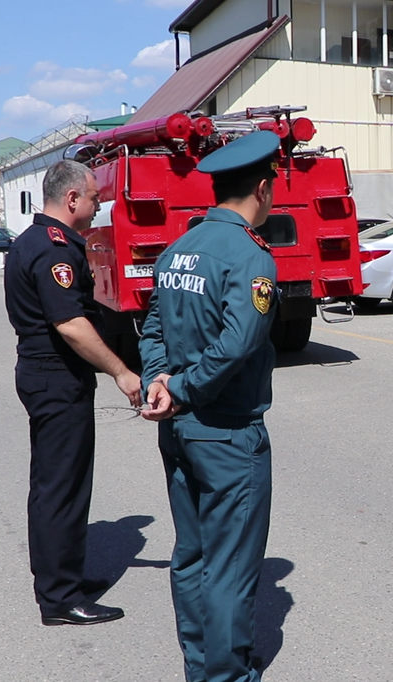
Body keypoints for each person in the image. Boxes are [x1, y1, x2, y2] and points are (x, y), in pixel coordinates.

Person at [138, 131, 281, 682]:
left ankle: (201, 667)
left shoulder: (180, 247)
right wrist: (182, 389)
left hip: (178, 428)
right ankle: (225, 675)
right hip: (226, 433)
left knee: (192, 557)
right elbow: (236, 345)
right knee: (230, 567)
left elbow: (150, 329)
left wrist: (161, 383)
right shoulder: (249, 256)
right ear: (263, 190)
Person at [4, 160, 142, 626]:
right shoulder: (54, 251)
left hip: (47, 376)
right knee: (61, 489)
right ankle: (61, 599)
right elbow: (70, 324)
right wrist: (121, 372)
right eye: (95, 198)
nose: (98, 205)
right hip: (56, 378)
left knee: (54, 485)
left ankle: (62, 579)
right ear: (71, 200)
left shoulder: (33, 241)